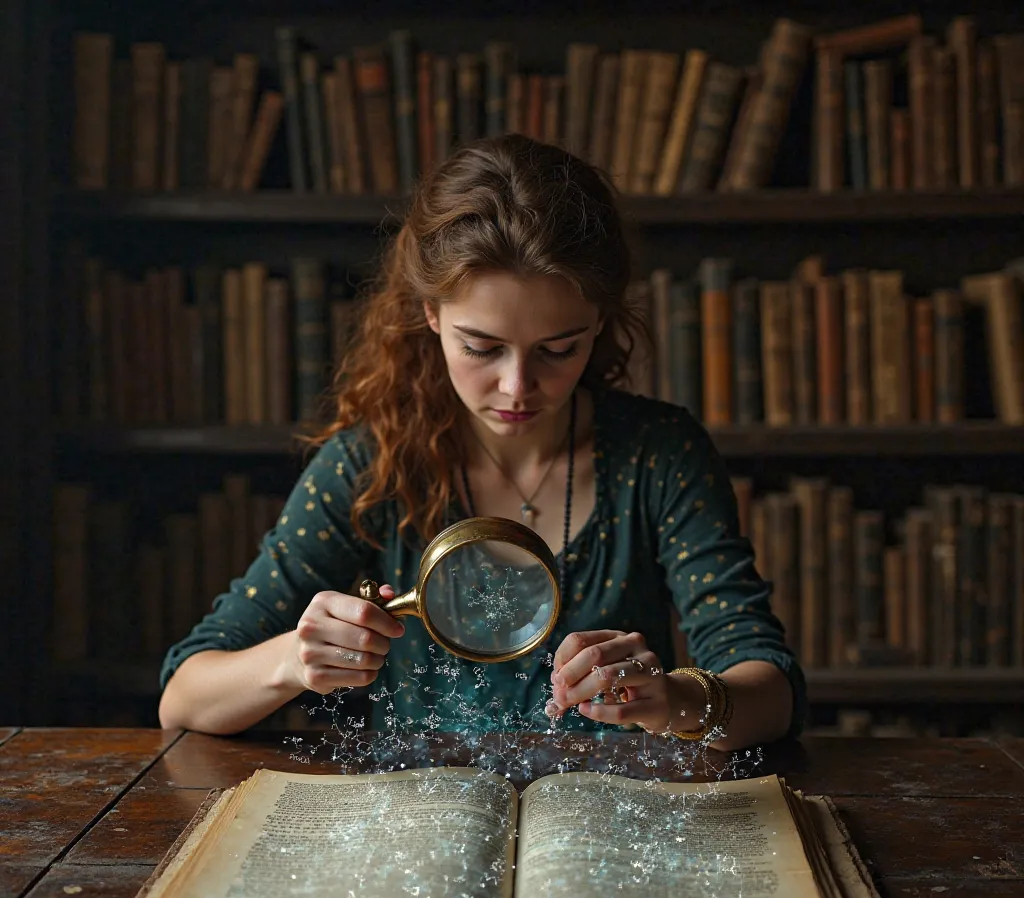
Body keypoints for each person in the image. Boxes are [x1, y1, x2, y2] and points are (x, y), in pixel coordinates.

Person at [158, 134, 805, 750]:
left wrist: (673, 701)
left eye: (559, 349)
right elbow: (184, 699)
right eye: (481, 348)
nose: (517, 387)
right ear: (431, 314)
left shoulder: (659, 454)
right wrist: (293, 662)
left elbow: (771, 691)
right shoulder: (372, 464)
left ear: (600, 322)